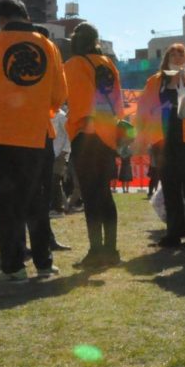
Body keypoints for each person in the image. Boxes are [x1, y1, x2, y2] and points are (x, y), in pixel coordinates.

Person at [0, 0, 68, 281]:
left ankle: (13, 266)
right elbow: (59, 96)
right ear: (26, 15)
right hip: (36, 133)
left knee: (3, 202)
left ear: (1, 20)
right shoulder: (48, 46)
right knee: (37, 199)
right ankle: (44, 263)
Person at [65, 22, 123, 268]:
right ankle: (111, 250)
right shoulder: (108, 64)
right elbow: (118, 102)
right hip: (108, 132)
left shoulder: (75, 65)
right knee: (104, 193)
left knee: (90, 195)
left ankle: (96, 251)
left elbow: (79, 102)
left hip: (87, 133)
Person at [138, 44, 185, 249]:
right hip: (163, 141)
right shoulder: (155, 81)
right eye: (172, 53)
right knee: (170, 188)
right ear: (166, 58)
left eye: (181, 53)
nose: (176, 56)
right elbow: (143, 109)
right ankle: (174, 233)